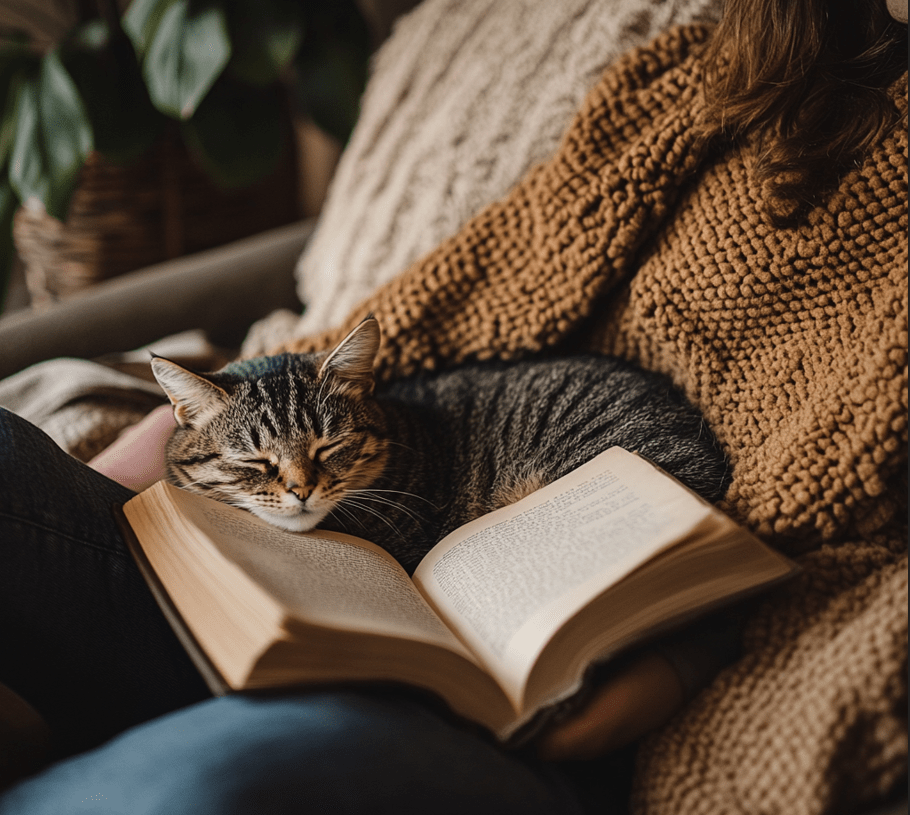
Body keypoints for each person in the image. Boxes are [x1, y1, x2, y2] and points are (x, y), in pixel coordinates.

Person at [0, 0, 906, 812]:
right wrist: (189, 421)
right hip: (289, 551)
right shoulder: (716, 68)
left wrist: (689, 653)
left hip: (522, 678)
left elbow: (816, 501)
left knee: (200, 788)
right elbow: (452, 296)